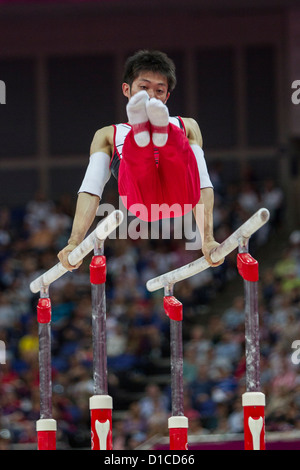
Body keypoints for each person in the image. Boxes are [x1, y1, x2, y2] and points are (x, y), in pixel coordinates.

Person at [58, 50, 223, 271]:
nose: (152, 96)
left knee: (180, 145)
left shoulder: (188, 126)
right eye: (143, 88)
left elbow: (201, 181)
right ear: (127, 89)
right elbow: (91, 189)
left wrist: (208, 239)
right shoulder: (108, 134)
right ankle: (141, 136)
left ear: (167, 96)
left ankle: (159, 133)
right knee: (136, 161)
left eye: (159, 91)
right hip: (141, 200)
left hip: (182, 196)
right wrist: (74, 242)